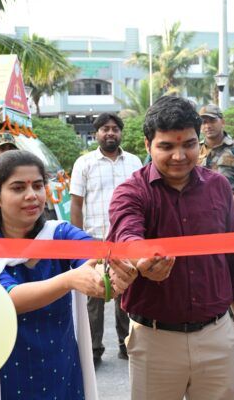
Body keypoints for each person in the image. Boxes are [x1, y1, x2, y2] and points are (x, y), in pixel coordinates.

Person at [108, 96, 234, 400]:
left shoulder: (219, 187)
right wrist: (142, 258)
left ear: (200, 143)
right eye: (166, 146)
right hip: (154, 340)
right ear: (147, 145)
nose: (179, 156)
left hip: (217, 334)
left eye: (189, 144)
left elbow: (231, 255)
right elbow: (126, 233)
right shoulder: (131, 192)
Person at [0, 150, 137, 400]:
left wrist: (112, 274)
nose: (32, 195)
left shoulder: (58, 234)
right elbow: (6, 297)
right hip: (6, 371)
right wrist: (69, 280)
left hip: (61, 366)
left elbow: (93, 255)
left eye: (38, 186)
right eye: (18, 188)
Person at [70, 112, 142, 364]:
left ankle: (126, 345)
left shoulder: (134, 162)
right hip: (93, 239)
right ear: (96, 133)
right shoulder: (84, 163)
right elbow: (76, 204)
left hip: (125, 240)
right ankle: (93, 350)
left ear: (120, 133)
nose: (110, 133)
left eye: (115, 129)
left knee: (126, 293)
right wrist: (77, 242)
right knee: (94, 296)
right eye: (105, 129)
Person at [198, 104, 234, 214]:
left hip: (230, 215)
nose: (208, 126)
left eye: (212, 121)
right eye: (204, 122)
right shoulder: (195, 150)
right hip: (200, 215)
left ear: (223, 122)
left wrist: (224, 213)